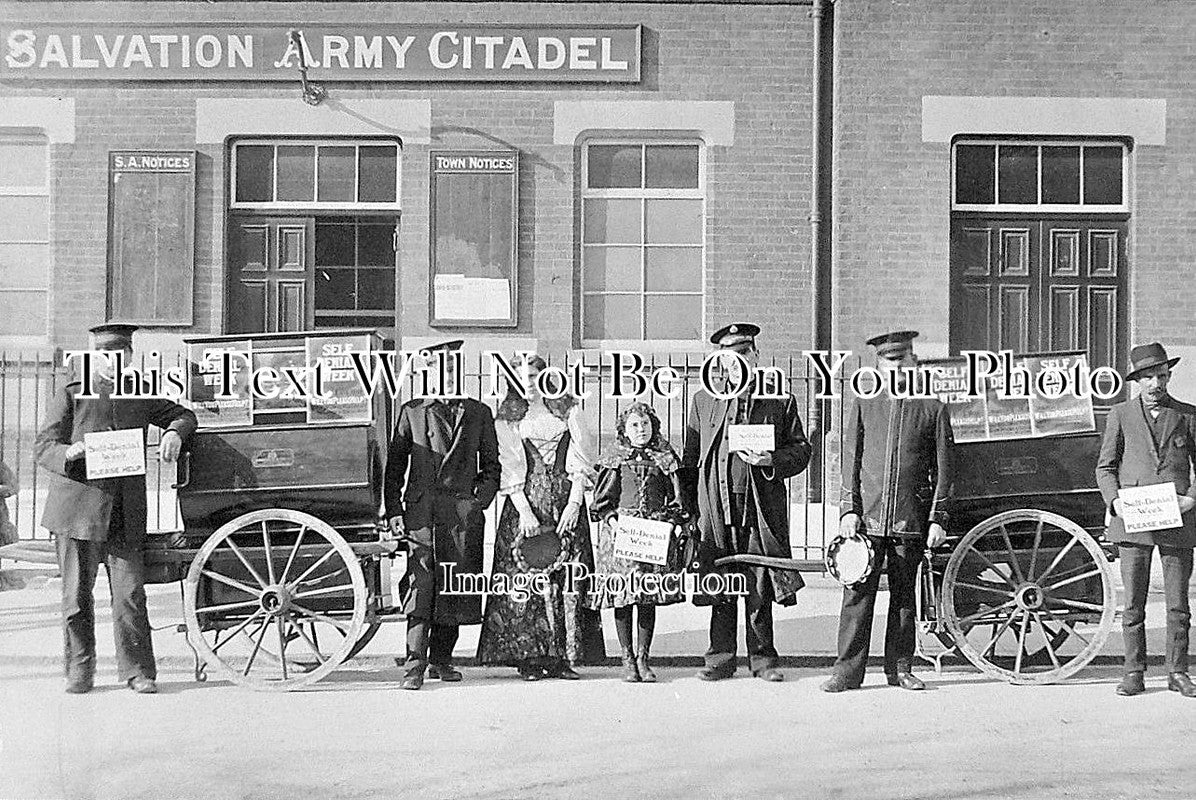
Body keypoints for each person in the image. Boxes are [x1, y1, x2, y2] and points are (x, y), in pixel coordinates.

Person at [35, 323, 197, 695]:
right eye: (105, 357)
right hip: (76, 511)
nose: (113, 364)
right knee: (76, 597)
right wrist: (68, 453)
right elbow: (44, 446)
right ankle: (80, 670)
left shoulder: (139, 391)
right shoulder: (71, 390)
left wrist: (174, 432)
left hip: (124, 512)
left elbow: (183, 414)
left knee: (130, 595)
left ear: (128, 358)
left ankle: (138, 672)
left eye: (120, 357)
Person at [822, 330, 952, 693]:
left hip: (910, 517)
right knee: (856, 597)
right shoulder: (865, 402)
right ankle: (846, 672)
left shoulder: (933, 407)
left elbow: (945, 468)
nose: (896, 368)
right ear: (878, 365)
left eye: (902, 360)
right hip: (867, 518)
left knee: (904, 596)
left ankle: (900, 668)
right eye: (888, 362)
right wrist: (849, 509)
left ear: (913, 362)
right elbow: (851, 458)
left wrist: (937, 518)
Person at [682, 323, 811, 682]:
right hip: (716, 507)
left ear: (754, 355)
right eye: (727, 356)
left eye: (742, 353)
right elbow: (690, 459)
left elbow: (801, 451)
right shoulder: (703, 400)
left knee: (758, 585)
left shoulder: (778, 398)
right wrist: (691, 510)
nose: (735, 362)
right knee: (720, 582)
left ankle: (764, 660)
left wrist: (770, 458)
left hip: (758, 506)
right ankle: (720, 660)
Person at [478, 354, 605, 680]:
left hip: (563, 501)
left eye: (533, 376)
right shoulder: (507, 418)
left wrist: (576, 503)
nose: (528, 384)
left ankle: (563, 657)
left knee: (566, 576)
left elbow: (583, 457)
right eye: (521, 378)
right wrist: (522, 509)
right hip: (527, 504)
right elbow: (507, 465)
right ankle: (529, 659)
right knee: (526, 578)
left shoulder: (569, 410)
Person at [384, 339, 501, 690]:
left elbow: (493, 466)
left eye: (452, 370)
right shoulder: (412, 411)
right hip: (422, 513)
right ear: (428, 374)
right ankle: (414, 666)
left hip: (460, 515)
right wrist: (394, 510)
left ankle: (442, 660)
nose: (446, 377)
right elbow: (395, 467)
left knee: (454, 586)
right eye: (439, 370)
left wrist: (478, 501)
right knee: (422, 586)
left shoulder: (478, 412)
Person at [1095, 342, 1196, 698]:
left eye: (1163, 376)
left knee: (1177, 604)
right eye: (1149, 377)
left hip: (1177, 521)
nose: (1157, 384)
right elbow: (1105, 468)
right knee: (1133, 603)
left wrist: (1192, 498)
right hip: (1133, 522)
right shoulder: (1120, 415)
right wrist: (1115, 502)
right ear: (1137, 380)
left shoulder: (1187, 415)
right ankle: (1133, 671)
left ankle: (1178, 672)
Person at [586, 402, 690, 683]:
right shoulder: (614, 458)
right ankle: (627, 657)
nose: (641, 430)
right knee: (624, 595)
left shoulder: (665, 457)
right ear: (624, 430)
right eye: (634, 425)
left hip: (653, 533)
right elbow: (601, 503)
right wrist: (614, 522)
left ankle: (644, 658)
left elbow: (678, 499)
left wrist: (669, 522)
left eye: (645, 424)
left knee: (647, 597)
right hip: (622, 533)